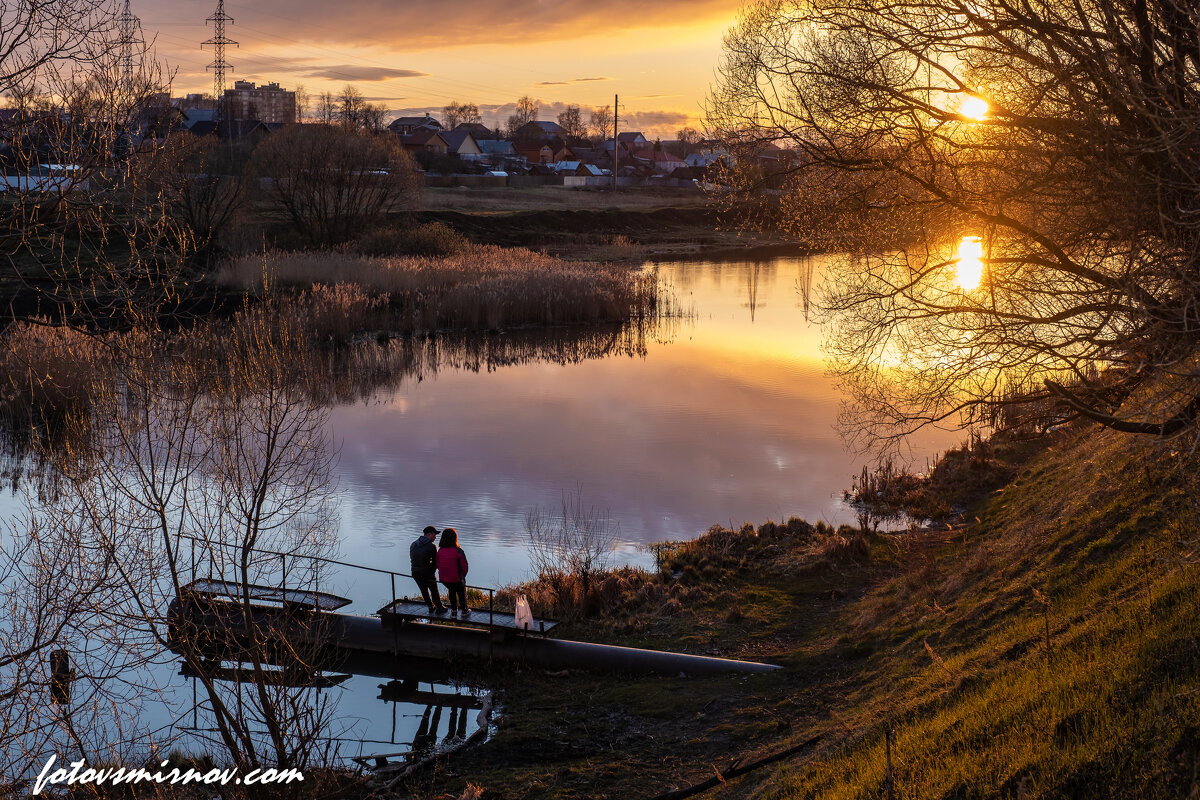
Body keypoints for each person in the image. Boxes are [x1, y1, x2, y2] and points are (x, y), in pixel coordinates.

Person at [410, 525, 447, 614]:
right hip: (427, 572)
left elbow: (412, 558)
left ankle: (430, 606)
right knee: (434, 590)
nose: (435, 537)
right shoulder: (431, 546)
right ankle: (439, 607)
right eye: (434, 535)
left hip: (415, 572)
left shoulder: (413, 544)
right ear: (429, 534)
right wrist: (432, 571)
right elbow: (435, 562)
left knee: (423, 590)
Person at [437, 527, 470, 618]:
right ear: (455, 538)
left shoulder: (440, 551)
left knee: (451, 591)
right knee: (461, 592)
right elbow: (465, 566)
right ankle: (464, 611)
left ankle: (454, 612)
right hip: (457, 578)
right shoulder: (458, 551)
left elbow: (438, 565)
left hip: (444, 579)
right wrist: (462, 577)